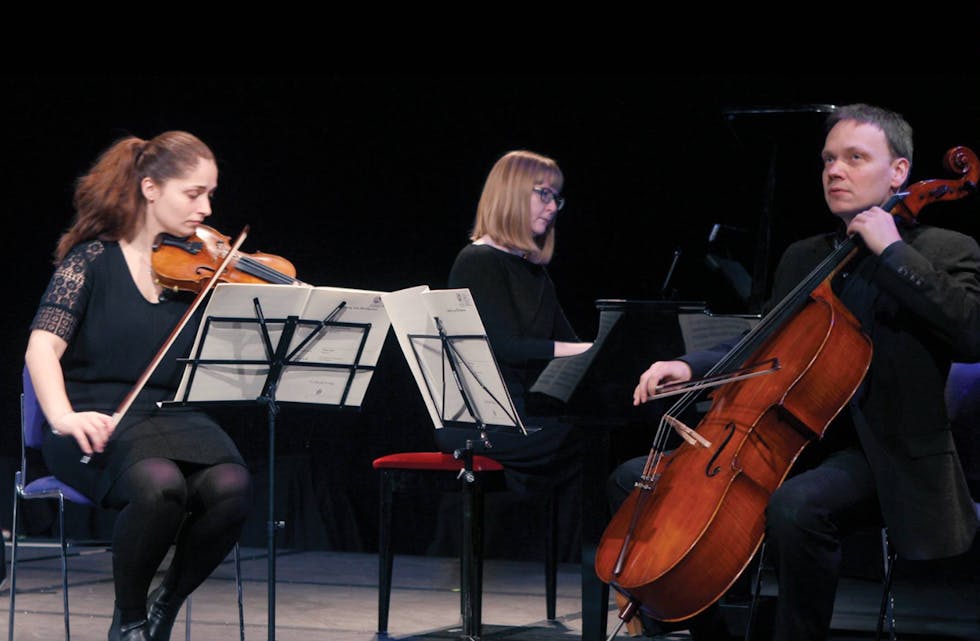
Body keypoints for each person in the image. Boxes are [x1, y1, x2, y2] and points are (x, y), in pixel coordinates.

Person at [615, 103, 980, 641]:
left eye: (855, 158)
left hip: (884, 453)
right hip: (791, 437)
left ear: (899, 172)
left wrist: (894, 251)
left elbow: (969, 332)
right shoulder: (806, 256)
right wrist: (686, 363)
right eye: (829, 159)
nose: (835, 170)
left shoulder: (946, 250)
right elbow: (761, 342)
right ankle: (705, 631)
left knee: (797, 507)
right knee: (632, 480)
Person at [25, 132, 252, 641]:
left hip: (172, 413)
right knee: (159, 487)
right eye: (193, 194)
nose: (206, 207)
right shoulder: (90, 261)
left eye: (210, 194)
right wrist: (62, 416)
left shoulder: (199, 271)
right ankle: (127, 620)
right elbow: (41, 348)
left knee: (232, 488)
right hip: (91, 417)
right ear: (150, 188)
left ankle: (162, 605)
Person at [438, 150, 592, 490]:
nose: (553, 208)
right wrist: (589, 351)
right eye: (544, 194)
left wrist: (597, 354)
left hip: (522, 412)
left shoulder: (535, 273)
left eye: (556, 198)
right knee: (571, 440)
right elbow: (506, 346)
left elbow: (568, 339)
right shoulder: (478, 261)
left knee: (587, 434)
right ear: (511, 193)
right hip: (481, 422)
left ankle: (553, 544)